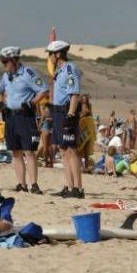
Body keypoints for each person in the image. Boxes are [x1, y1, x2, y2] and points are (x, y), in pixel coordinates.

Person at [0, 46, 49, 194]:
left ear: (14, 60)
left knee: (29, 151)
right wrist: (1, 104)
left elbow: (44, 89)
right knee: (15, 152)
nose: (4, 64)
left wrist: (32, 103)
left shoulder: (28, 73)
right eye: (3, 62)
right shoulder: (6, 76)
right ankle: (22, 184)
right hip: (11, 116)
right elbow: (0, 91)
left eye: (6, 61)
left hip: (25, 116)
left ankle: (34, 184)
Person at [47, 41, 84, 198]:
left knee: (71, 150)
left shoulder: (69, 68)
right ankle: (69, 187)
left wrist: (70, 114)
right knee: (63, 150)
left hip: (66, 112)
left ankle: (78, 188)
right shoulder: (59, 71)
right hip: (57, 112)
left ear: (58, 54)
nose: (49, 58)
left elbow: (74, 93)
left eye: (50, 54)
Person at [37, 103, 54, 168]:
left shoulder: (45, 111)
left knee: (45, 148)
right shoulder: (53, 112)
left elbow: (41, 121)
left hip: (45, 129)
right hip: (51, 130)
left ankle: (46, 162)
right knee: (50, 147)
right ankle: (51, 162)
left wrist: (38, 129)